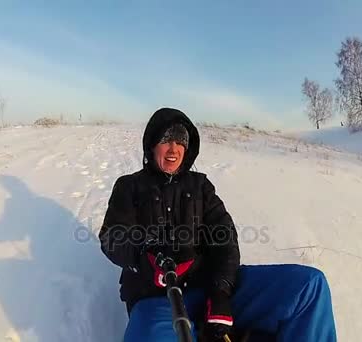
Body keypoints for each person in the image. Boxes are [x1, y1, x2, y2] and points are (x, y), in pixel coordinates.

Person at [98, 107, 337, 342]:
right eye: (166, 139)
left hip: (209, 287)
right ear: (152, 144)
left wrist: (221, 291)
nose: (173, 148)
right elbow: (114, 236)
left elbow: (225, 238)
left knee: (308, 286)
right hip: (157, 300)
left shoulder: (201, 185)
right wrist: (144, 257)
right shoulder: (129, 186)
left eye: (180, 140)